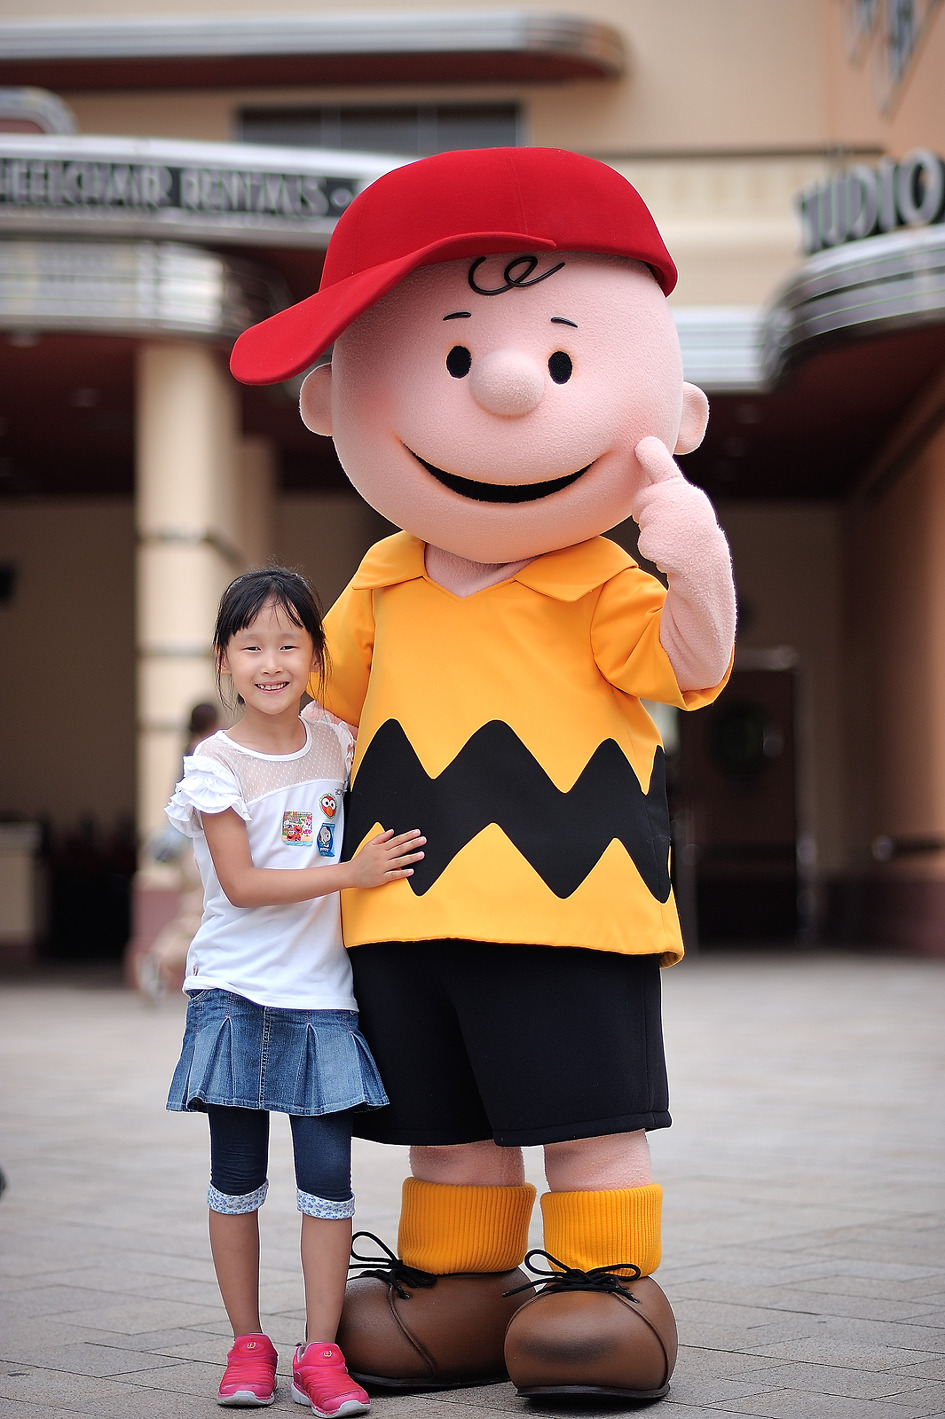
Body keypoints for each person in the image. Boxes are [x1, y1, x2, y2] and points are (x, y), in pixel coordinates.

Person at [229, 148, 736, 1402]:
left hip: (573, 901)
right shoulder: (384, 576)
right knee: (446, 1127)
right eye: (452, 357)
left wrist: (694, 558)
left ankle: (605, 1284)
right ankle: (461, 1285)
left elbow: (693, 667)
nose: (508, 386)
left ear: (677, 417)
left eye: (562, 363)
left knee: (586, 1119)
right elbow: (322, 706)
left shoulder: (602, 576)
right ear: (330, 401)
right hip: (402, 907)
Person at [164, 566, 425, 1414]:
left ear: (316, 653)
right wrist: (351, 872)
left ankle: (320, 1352)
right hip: (233, 993)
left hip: (322, 998)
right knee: (235, 1180)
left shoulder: (335, 740)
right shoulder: (216, 763)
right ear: (223, 659)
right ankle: (248, 1346)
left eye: (289, 643)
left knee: (328, 1184)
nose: (271, 662)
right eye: (252, 647)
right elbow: (240, 884)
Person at [135, 702, 222, 1001]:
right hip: (196, 850)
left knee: (196, 911)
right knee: (197, 913)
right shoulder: (206, 751)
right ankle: (159, 960)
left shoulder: (188, 749)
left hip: (188, 850)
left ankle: (162, 963)